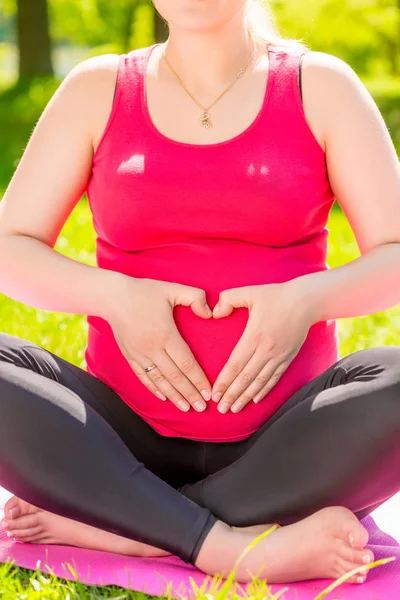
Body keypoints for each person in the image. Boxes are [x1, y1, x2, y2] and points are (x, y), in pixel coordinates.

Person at [0, 0, 399, 587]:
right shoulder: (97, 90)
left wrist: (302, 303)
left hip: (284, 446)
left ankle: (126, 529)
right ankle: (227, 544)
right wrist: (112, 296)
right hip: (118, 439)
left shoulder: (321, 87)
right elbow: (12, 246)